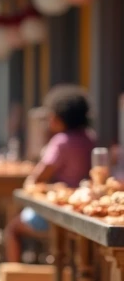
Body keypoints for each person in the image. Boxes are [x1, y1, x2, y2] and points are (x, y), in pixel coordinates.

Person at [6, 88, 96, 262]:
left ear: (61, 116)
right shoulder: (90, 138)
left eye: (51, 115)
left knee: (12, 229)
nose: (49, 120)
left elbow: (37, 178)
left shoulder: (60, 141)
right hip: (83, 209)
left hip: (60, 214)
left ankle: (16, 277)